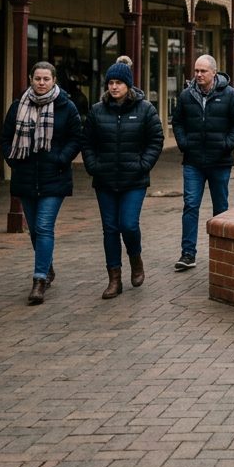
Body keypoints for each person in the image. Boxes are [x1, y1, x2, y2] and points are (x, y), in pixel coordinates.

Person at [0, 61, 83, 305]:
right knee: (35, 229)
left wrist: (61, 159)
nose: (41, 83)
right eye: (37, 78)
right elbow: (6, 138)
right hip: (25, 175)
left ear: (54, 80)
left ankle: (38, 280)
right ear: (30, 79)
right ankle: (47, 266)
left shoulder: (66, 107)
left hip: (53, 176)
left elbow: (76, 137)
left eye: (46, 78)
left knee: (44, 226)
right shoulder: (18, 106)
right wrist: (13, 160)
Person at [82, 57, 164, 298]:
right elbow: (87, 142)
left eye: (119, 82)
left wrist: (143, 164)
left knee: (128, 224)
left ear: (128, 85)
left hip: (133, 180)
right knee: (110, 229)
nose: (114, 87)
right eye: (111, 82)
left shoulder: (145, 109)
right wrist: (93, 166)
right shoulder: (97, 111)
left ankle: (135, 259)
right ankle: (114, 278)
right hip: (105, 180)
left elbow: (155, 140)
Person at [170, 54, 234, 271]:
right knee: (191, 205)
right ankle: (187, 254)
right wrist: (184, 143)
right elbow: (177, 121)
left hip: (220, 162)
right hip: (193, 161)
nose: (198, 75)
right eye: (196, 71)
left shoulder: (229, 95)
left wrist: (226, 144)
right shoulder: (187, 95)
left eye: (203, 71)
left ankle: (222, 252)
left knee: (221, 208)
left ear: (214, 72)